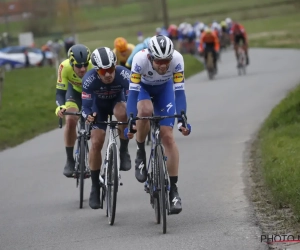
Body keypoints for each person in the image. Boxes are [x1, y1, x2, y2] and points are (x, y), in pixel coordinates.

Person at [125, 35, 191, 215]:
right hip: (143, 90)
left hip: (165, 91)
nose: (163, 65)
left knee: (168, 137)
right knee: (145, 112)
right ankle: (140, 153)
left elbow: (179, 92)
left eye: (166, 61)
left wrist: (182, 118)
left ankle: (174, 190)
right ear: (150, 57)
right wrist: (132, 118)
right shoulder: (139, 59)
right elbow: (132, 94)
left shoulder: (177, 59)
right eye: (159, 61)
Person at [82, 47, 132, 209]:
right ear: (96, 71)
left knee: (123, 112)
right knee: (96, 143)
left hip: (117, 102)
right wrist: (88, 116)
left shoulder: (124, 74)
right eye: (103, 72)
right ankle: (95, 186)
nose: (108, 74)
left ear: (115, 65)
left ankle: (124, 150)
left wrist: (134, 117)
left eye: (111, 69)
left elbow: (133, 98)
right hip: (99, 108)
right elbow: (85, 107)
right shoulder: (89, 80)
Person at [55, 44, 93, 177]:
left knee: (97, 122)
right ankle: (70, 160)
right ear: (71, 64)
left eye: (85, 65)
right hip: (74, 94)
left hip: (93, 94)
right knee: (70, 120)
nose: (83, 69)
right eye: (78, 66)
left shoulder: (94, 65)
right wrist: (61, 107)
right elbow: (60, 93)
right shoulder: (64, 67)